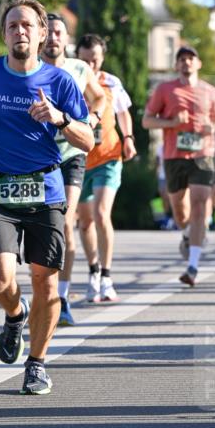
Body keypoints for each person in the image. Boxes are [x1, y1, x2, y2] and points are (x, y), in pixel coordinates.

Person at [0, 0, 92, 396]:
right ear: (5, 34)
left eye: (28, 25)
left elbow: (88, 138)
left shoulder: (60, 82)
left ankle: (37, 363)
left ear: (42, 33)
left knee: (45, 282)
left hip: (45, 188)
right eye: (13, 25)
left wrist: (60, 118)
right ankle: (15, 313)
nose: (20, 31)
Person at [41, 13, 106, 325]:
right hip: (36, 155)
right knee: (40, 227)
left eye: (59, 32)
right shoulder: (28, 69)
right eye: (49, 32)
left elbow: (99, 96)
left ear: (66, 39)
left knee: (65, 222)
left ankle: (62, 297)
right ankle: (43, 290)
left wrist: (92, 119)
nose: (54, 37)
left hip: (70, 155)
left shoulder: (79, 68)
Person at [142, 44, 215, 286]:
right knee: (180, 212)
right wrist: (171, 122)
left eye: (191, 59)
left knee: (199, 205)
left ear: (199, 64)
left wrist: (213, 128)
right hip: (174, 156)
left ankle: (193, 266)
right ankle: (188, 234)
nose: (187, 63)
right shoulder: (165, 89)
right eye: (182, 59)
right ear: (176, 65)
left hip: (203, 154)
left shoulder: (210, 92)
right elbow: (147, 121)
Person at [75, 34, 137, 303]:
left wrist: (129, 138)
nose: (91, 65)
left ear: (102, 58)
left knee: (101, 214)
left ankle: (108, 276)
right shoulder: (69, 79)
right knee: (85, 221)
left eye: (96, 60)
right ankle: (93, 270)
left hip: (109, 156)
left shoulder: (111, 82)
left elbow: (123, 111)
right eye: (86, 60)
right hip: (78, 159)